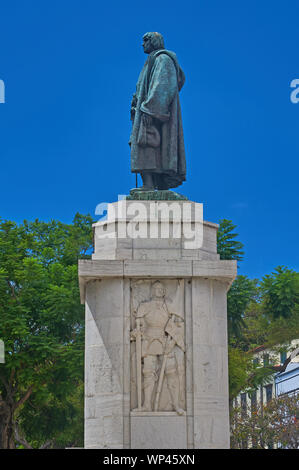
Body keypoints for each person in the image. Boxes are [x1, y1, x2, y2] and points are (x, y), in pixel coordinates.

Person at [130, 32, 186, 191]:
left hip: (153, 112)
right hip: (144, 110)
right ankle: (149, 183)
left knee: (149, 144)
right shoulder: (151, 60)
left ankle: (154, 184)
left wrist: (149, 109)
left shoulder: (163, 59)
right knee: (144, 145)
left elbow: (163, 85)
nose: (142, 44)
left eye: (145, 40)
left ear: (154, 42)